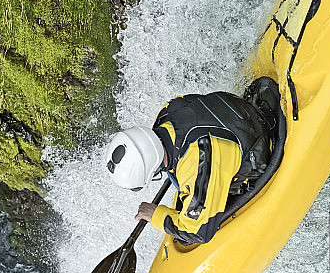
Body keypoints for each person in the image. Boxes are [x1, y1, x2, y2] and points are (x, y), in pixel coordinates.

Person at [104, 77, 280, 245]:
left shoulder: (197, 163)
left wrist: (155, 215)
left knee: (205, 207)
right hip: (246, 114)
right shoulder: (166, 113)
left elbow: (199, 232)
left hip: (260, 149)